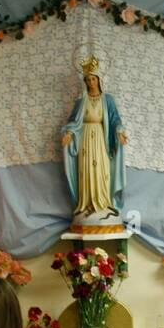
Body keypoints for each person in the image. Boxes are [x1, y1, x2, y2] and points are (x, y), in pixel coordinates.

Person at [60, 56, 127, 222]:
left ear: (99, 80)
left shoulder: (108, 99)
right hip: (85, 141)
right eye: (88, 80)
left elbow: (114, 119)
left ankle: (103, 203)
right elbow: (73, 121)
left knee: (102, 170)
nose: (91, 82)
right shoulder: (81, 100)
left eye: (93, 79)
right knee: (86, 170)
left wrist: (119, 131)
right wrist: (68, 133)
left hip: (101, 138)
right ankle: (87, 204)